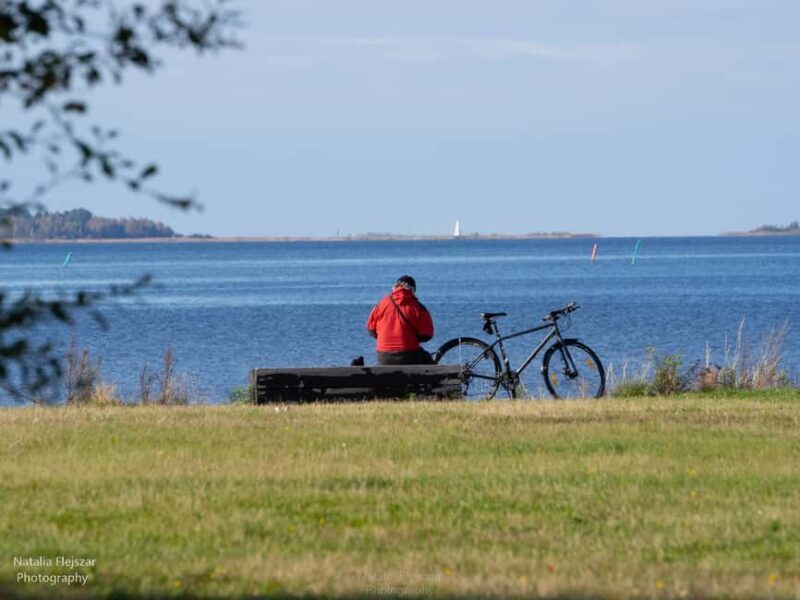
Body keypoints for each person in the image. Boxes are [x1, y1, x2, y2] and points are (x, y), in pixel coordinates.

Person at [366, 275, 434, 365]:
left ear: (394, 288)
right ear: (413, 290)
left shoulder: (380, 305)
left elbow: (371, 330)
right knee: (428, 361)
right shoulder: (419, 308)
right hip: (409, 355)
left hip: (383, 357)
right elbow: (427, 335)